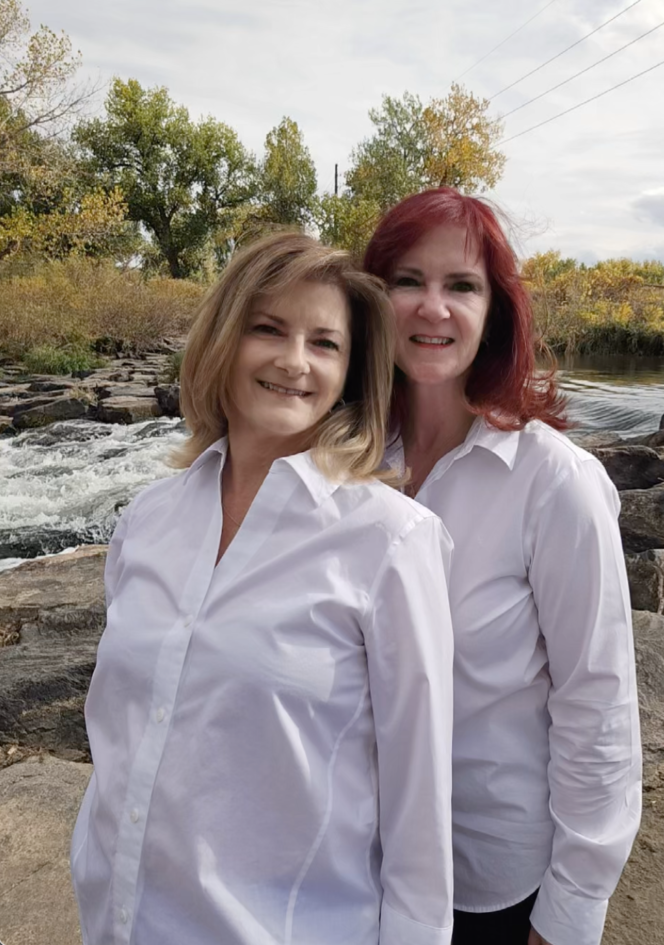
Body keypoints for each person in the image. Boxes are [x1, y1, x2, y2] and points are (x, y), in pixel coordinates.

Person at [71, 232, 456, 945]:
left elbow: (418, 810)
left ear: (350, 371)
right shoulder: (148, 519)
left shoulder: (391, 543)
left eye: (324, 343)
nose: (293, 361)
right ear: (223, 338)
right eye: (268, 328)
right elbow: (124, 732)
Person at [363, 188, 642, 945]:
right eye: (408, 281)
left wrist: (573, 906)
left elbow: (598, 699)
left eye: (461, 286)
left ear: (495, 312)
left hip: (487, 882)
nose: (432, 307)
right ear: (371, 298)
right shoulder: (346, 462)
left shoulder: (554, 483)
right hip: (355, 861)